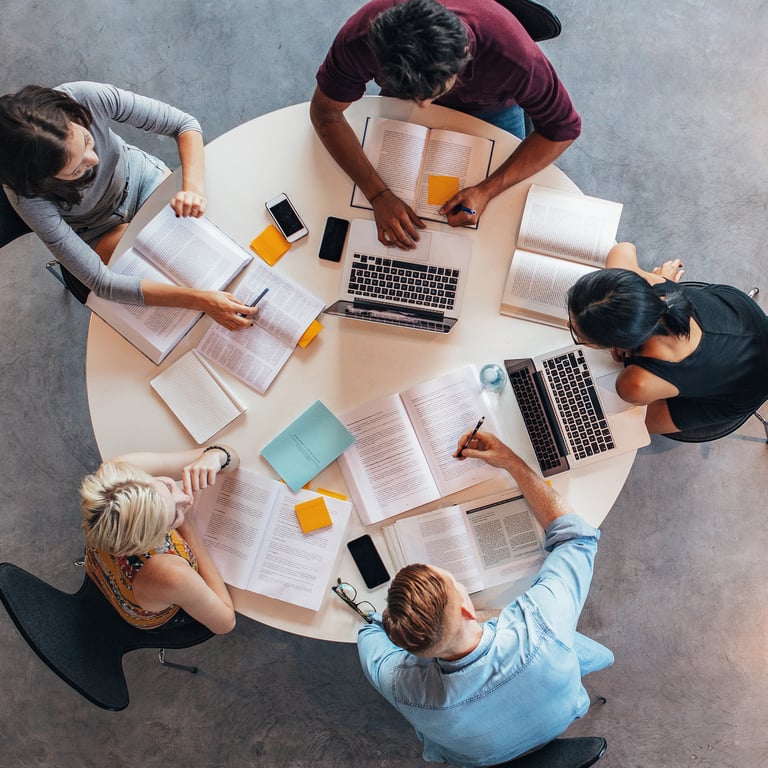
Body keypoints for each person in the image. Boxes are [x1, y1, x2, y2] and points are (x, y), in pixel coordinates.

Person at [356, 430, 612, 766]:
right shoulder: (540, 626)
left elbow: (368, 635)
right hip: (562, 713)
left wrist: (384, 621)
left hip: (482, 759)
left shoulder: (402, 687)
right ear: (466, 608)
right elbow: (577, 539)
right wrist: (510, 461)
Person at [310, 0, 581, 249]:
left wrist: (487, 190)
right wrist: (378, 194)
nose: (423, 107)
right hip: (399, 104)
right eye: (414, 95)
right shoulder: (360, 37)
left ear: (464, 54)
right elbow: (326, 115)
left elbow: (562, 129)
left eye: (432, 93)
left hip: (491, 109)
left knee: (497, 224)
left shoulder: (515, 57)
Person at [0, 81, 257, 330]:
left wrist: (192, 189)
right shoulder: (28, 197)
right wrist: (201, 300)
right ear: (42, 182)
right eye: (76, 169)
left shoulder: (84, 97)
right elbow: (102, 282)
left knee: (212, 242)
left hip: (142, 181)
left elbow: (184, 124)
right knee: (170, 280)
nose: (95, 159)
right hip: (96, 230)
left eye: (87, 140)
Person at [567, 242, 768, 435]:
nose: (568, 326)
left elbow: (631, 385)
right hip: (741, 315)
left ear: (614, 344)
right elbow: (623, 249)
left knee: (626, 425)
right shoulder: (651, 284)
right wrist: (659, 281)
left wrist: (628, 357)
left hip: (745, 388)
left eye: (578, 335)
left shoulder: (635, 384)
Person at [80, 444, 238, 634]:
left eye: (168, 486)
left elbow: (229, 455)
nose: (186, 499)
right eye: (174, 517)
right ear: (153, 540)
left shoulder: (120, 473)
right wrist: (188, 527)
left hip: (101, 566)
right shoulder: (171, 573)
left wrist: (216, 457)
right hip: (146, 611)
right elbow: (225, 622)